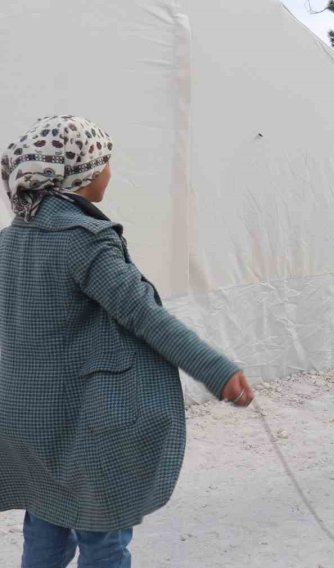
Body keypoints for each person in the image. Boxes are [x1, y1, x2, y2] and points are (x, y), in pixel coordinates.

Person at [0, 116, 255, 567]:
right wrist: (219, 371)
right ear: (78, 175)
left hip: (30, 420)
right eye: (104, 163)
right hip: (86, 420)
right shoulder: (85, 242)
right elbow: (144, 317)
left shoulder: (8, 243)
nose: (109, 172)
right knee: (102, 534)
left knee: (45, 526)